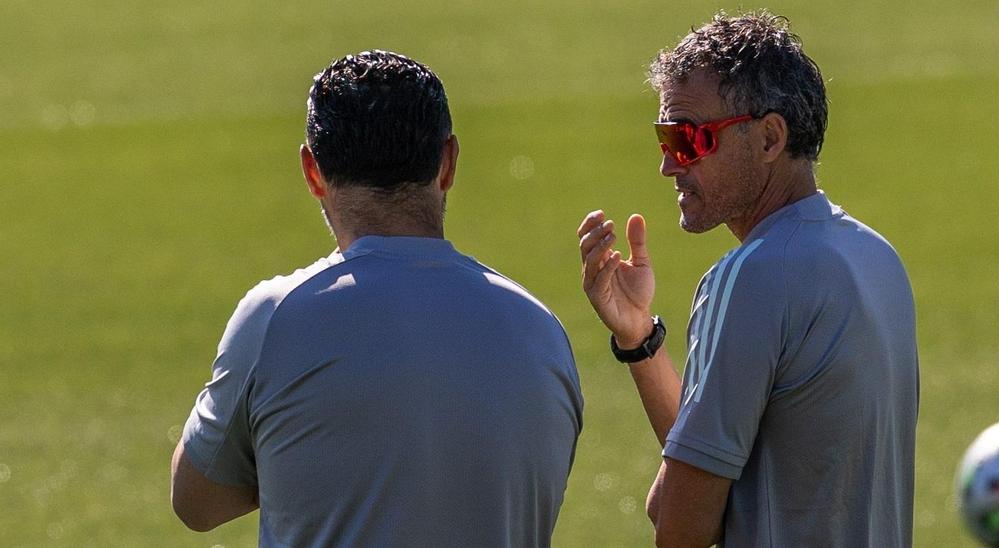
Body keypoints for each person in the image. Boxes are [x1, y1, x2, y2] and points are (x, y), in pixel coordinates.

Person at [171, 50, 583, 546]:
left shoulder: (275, 318)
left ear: (312, 171)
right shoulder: (540, 329)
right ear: (448, 161)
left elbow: (196, 503)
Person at [577, 12, 918, 547]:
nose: (669, 166)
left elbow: (680, 525)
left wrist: (677, 497)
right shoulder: (876, 257)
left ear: (768, 137)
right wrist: (640, 340)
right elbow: (723, 469)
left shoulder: (750, 276)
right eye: (664, 138)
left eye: (687, 138)